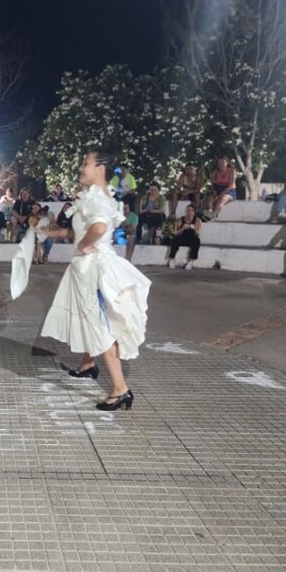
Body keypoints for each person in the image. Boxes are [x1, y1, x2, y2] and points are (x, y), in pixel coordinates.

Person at [39, 150, 150, 411]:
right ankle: (88, 364)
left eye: (86, 163)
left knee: (98, 323)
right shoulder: (95, 197)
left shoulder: (98, 198)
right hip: (86, 266)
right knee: (89, 316)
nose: (81, 167)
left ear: (100, 169)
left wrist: (87, 245)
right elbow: (78, 231)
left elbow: (98, 228)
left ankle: (120, 389)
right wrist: (48, 231)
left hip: (92, 268)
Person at [167, 203, 202, 270]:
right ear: (186, 211)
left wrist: (194, 228)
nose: (189, 212)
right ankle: (171, 259)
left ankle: (191, 261)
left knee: (197, 240)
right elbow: (175, 233)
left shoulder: (197, 220)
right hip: (182, 237)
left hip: (191, 238)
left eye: (192, 210)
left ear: (194, 212)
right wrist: (182, 228)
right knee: (174, 240)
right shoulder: (180, 220)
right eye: (188, 210)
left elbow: (198, 234)